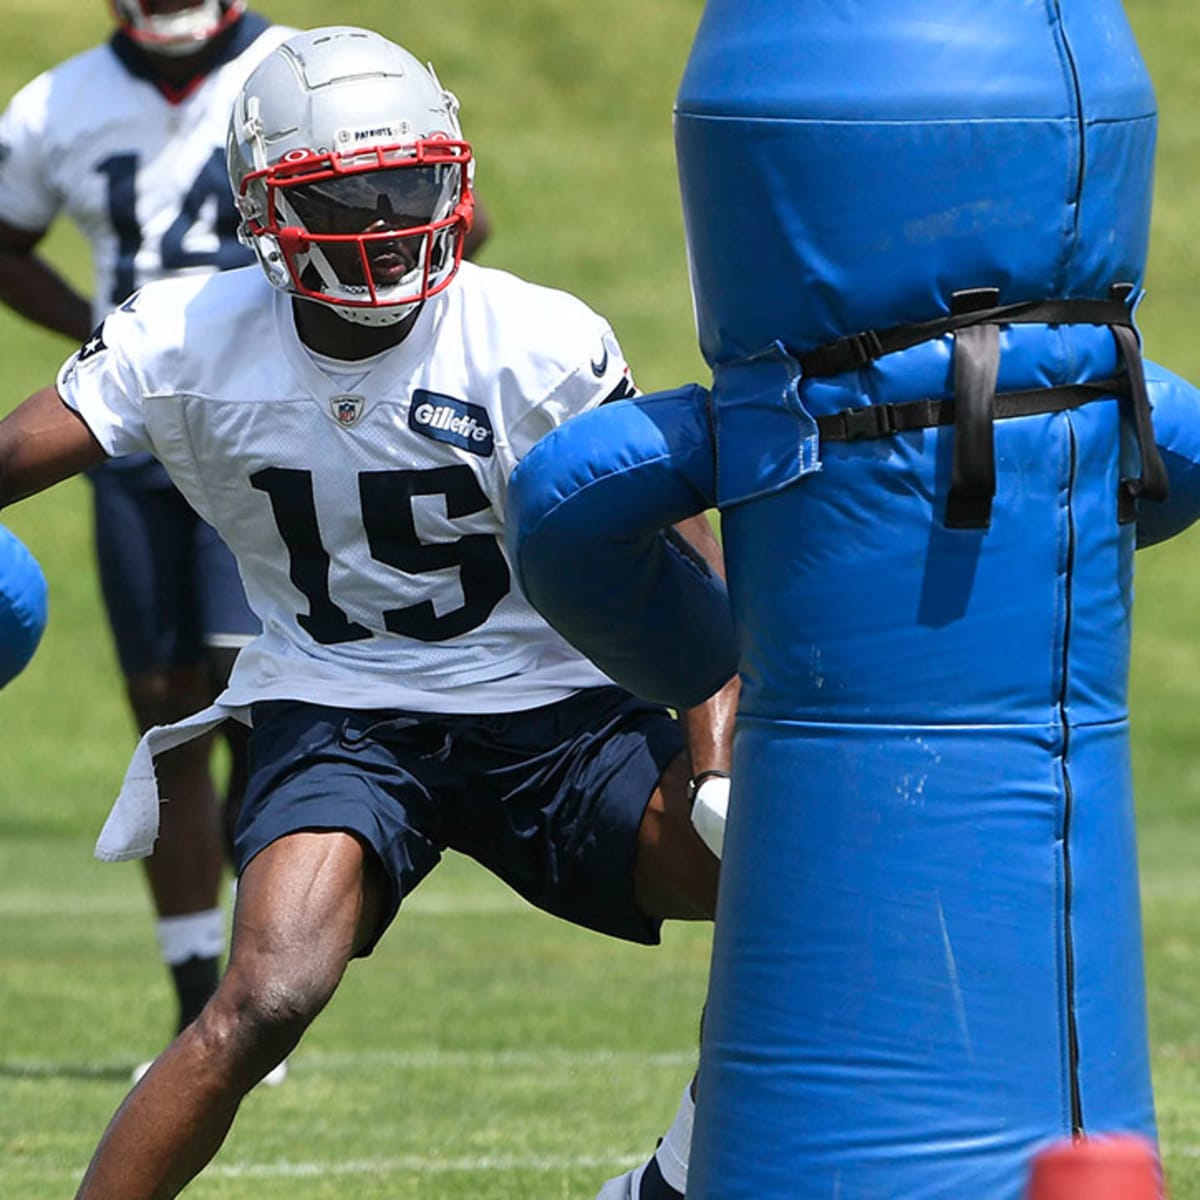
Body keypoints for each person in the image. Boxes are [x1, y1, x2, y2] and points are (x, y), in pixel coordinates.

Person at [0, 26, 734, 1200]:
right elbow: (15, 455)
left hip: (554, 708)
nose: (387, 219)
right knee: (264, 998)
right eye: (345, 194)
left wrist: (710, 766)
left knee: (781, 902)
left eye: (410, 183)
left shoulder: (535, 339)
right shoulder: (180, 337)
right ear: (263, 209)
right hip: (337, 708)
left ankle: (672, 1189)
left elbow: (688, 574)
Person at [0, 0, 493, 1077]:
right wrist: (108, 333)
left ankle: (256, 972)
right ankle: (199, 998)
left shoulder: (313, 77)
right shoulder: (55, 105)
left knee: (259, 691)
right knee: (164, 703)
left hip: (272, 421)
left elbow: (452, 217)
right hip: (139, 415)